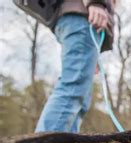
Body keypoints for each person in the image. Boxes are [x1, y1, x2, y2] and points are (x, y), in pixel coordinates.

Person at [15, 0, 116, 133]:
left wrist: (95, 53)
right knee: (73, 90)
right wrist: (96, 2)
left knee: (80, 100)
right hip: (83, 17)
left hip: (81, 20)